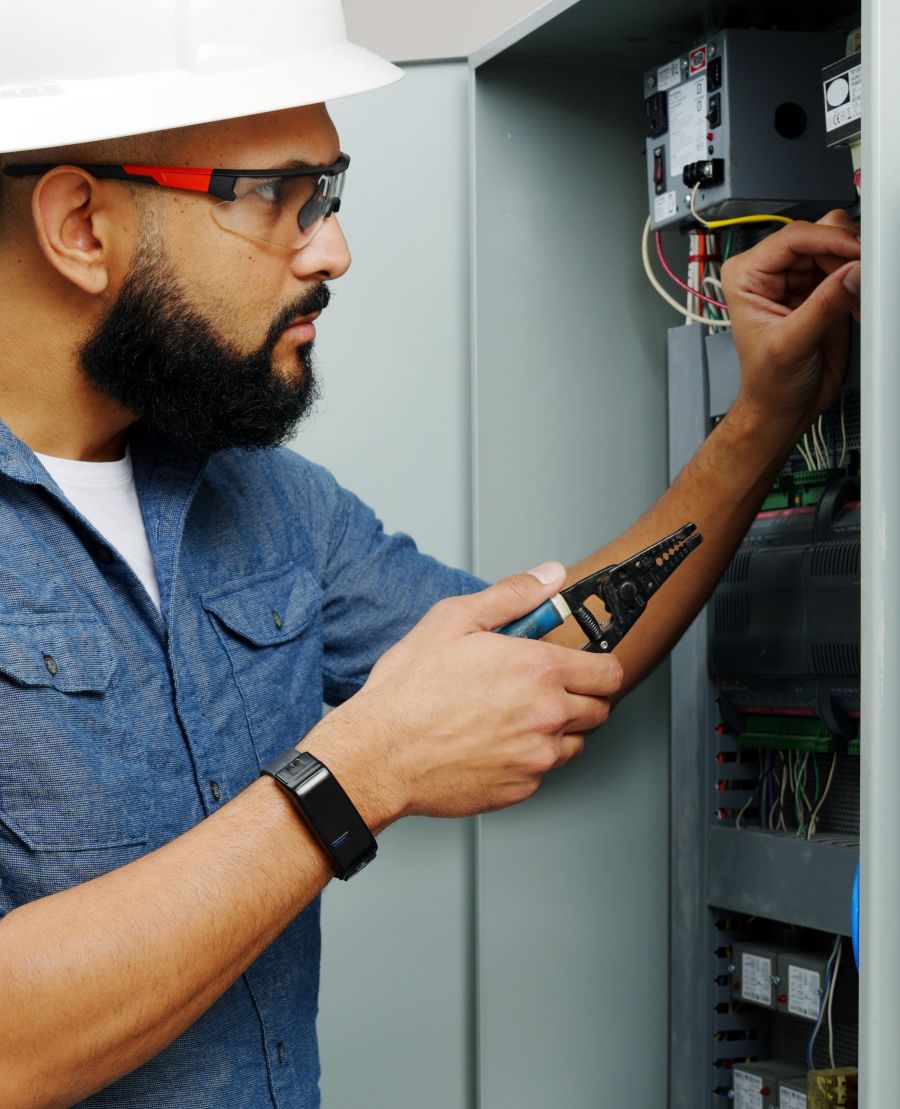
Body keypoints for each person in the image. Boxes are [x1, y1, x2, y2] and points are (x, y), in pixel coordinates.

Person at [0, 2, 861, 1106]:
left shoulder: (266, 505)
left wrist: (760, 421)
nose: (334, 249)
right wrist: (360, 771)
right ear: (81, 224)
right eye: (278, 197)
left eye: (331, 194)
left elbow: (542, 652)